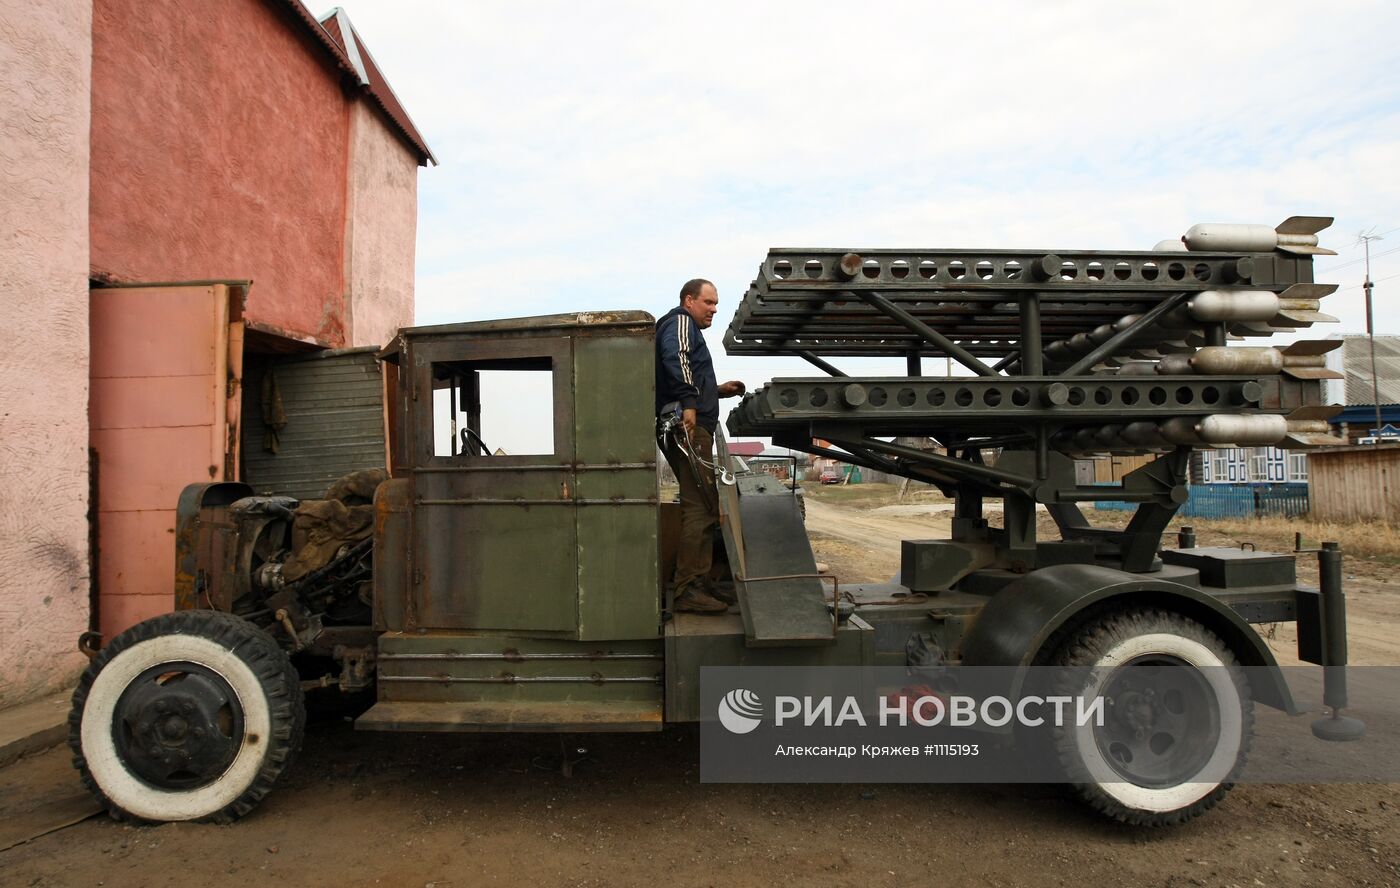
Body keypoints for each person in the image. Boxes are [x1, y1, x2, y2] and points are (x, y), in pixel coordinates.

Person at [656, 278, 746, 614]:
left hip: (692, 423)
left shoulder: (688, 327)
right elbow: (675, 358)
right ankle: (688, 589)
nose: (714, 310)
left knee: (705, 505)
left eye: (716, 304)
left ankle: (698, 582)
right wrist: (690, 402)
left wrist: (717, 390)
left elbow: (687, 371)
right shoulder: (680, 322)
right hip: (690, 428)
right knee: (700, 507)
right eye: (708, 303)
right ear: (689, 300)